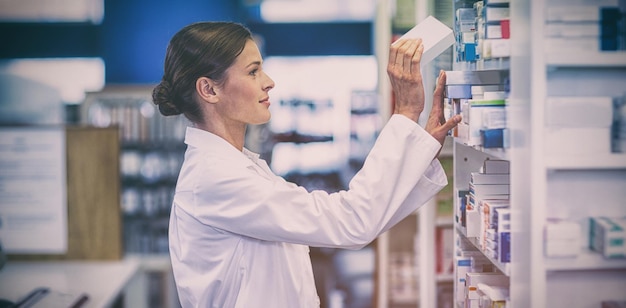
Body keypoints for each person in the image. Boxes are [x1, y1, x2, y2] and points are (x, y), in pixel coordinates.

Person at [152, 21, 461, 308]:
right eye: (253, 72)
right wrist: (405, 112)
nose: (269, 82)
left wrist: (418, 153)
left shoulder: (236, 167)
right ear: (209, 89)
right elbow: (351, 222)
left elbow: (357, 220)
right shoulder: (216, 178)